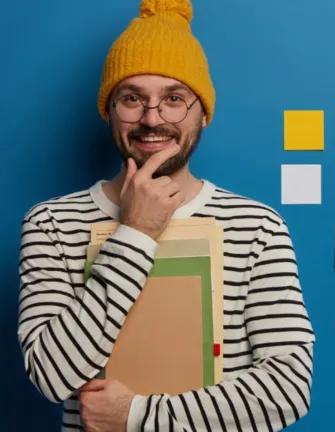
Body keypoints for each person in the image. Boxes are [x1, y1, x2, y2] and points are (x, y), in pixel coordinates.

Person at [16, 0, 315, 430]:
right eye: (132, 98)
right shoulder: (51, 224)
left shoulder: (258, 227)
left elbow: (288, 390)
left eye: (174, 99)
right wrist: (135, 232)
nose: (152, 118)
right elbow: (51, 374)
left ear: (203, 114)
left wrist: (136, 416)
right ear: (109, 110)